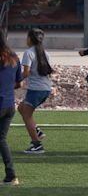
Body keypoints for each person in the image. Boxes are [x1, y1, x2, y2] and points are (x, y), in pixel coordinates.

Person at [19, 28, 53, 154]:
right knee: (21, 108)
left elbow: (26, 73)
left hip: (35, 90)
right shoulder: (45, 53)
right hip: (45, 88)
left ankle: (37, 145)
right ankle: (36, 130)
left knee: (27, 116)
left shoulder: (28, 53)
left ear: (30, 39)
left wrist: (15, 80)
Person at [0, 29, 23, 186]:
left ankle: (11, 175)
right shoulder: (14, 58)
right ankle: (11, 175)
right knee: (1, 140)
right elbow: (19, 83)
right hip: (9, 105)